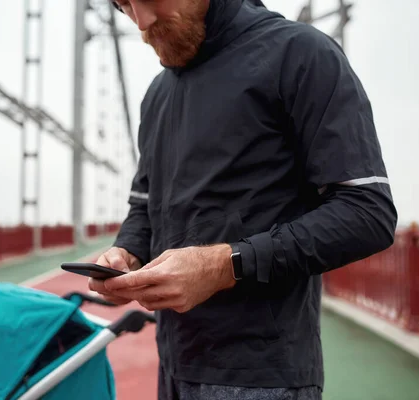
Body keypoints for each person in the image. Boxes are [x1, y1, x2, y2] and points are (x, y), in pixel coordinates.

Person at [89, 0, 398, 399]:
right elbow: (145, 205)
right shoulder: (158, 95)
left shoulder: (301, 54)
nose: (141, 20)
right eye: (124, 5)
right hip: (173, 364)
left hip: (263, 377)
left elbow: (367, 213)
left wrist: (224, 265)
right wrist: (126, 252)